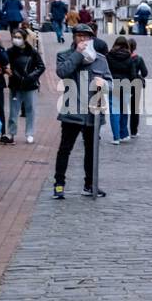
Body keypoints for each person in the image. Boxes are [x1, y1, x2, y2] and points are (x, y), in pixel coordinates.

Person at [54, 23, 112, 198]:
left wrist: (105, 84)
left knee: (91, 150)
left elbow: (110, 82)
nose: (83, 39)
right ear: (74, 38)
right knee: (65, 148)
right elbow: (63, 72)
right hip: (72, 110)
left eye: (86, 37)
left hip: (93, 113)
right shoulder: (65, 55)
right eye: (79, 36)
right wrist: (78, 54)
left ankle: (90, 184)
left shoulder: (100, 59)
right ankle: (59, 184)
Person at [8, 27, 46, 144]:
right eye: (15, 37)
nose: (16, 40)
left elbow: (41, 66)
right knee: (13, 111)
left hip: (30, 85)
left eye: (19, 37)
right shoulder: (10, 52)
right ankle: (11, 133)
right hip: (15, 84)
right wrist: (12, 73)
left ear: (24, 39)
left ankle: (30, 133)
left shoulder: (32, 52)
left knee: (31, 110)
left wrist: (31, 77)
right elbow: (5, 65)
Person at [106, 36, 136, 144]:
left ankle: (116, 137)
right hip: (126, 85)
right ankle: (124, 134)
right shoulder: (129, 58)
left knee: (114, 111)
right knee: (124, 110)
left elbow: (106, 71)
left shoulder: (108, 56)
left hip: (113, 85)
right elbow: (133, 75)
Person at [128, 37, 149, 138]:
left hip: (122, 84)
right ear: (135, 47)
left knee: (120, 109)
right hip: (135, 85)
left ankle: (120, 131)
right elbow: (145, 72)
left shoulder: (123, 57)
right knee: (134, 109)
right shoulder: (138, 59)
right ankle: (133, 131)